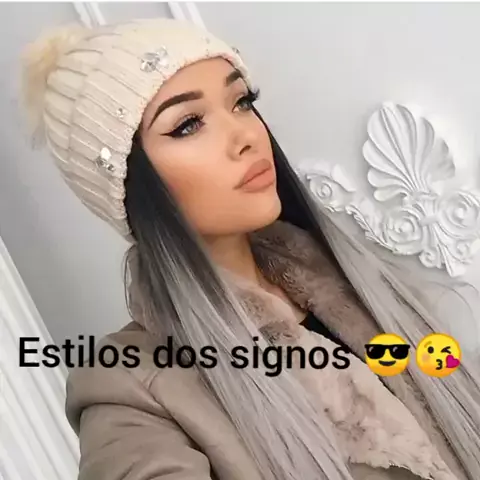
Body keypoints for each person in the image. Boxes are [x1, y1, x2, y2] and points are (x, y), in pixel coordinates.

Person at [20, 17, 480, 480]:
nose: (247, 136)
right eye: (188, 125)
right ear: (127, 186)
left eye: (242, 102)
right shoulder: (128, 392)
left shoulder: (351, 278)